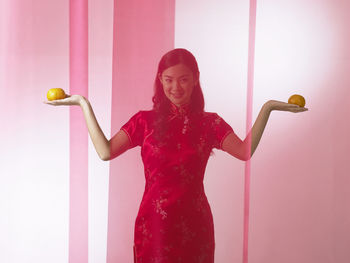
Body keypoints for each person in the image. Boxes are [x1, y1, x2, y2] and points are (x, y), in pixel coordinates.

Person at [44, 48, 308, 262]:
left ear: (195, 78)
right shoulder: (144, 122)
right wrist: (82, 103)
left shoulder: (210, 124)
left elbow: (244, 151)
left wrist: (268, 108)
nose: (176, 87)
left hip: (195, 223)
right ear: (160, 80)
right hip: (154, 225)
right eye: (169, 80)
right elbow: (105, 152)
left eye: (183, 79)